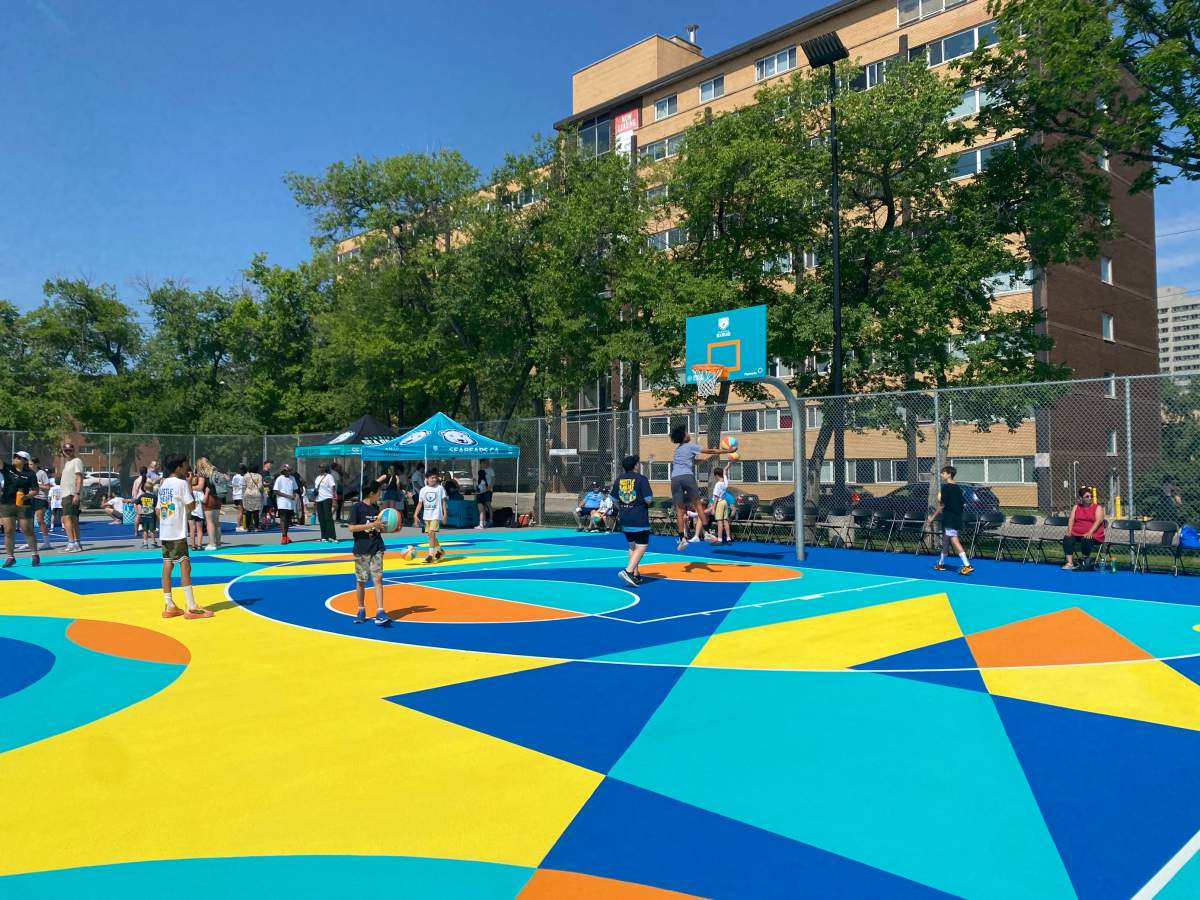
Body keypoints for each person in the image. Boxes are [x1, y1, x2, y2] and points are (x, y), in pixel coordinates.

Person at [156, 455, 212, 619]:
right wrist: (188, 484)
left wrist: (167, 520)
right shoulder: (181, 484)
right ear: (179, 467)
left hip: (165, 531)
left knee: (167, 564)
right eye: (185, 465)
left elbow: (158, 511)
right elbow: (192, 505)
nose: (187, 468)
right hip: (177, 531)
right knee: (185, 564)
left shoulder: (163, 484)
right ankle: (192, 607)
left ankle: (169, 604)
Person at [668, 424, 730, 551]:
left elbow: (691, 462)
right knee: (697, 504)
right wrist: (728, 451)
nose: (688, 434)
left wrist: (703, 460)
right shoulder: (691, 446)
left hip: (675, 479)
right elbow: (711, 451)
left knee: (679, 509)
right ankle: (707, 532)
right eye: (687, 433)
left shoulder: (677, 450)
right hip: (687, 477)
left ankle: (682, 539)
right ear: (684, 437)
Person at [348, 480, 389, 625]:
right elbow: (351, 528)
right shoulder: (357, 508)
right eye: (379, 492)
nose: (380, 495)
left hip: (377, 547)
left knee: (377, 579)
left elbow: (379, 527)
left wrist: (385, 526)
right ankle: (361, 609)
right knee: (361, 581)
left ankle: (380, 611)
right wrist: (372, 524)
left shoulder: (376, 508)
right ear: (372, 493)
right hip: (361, 549)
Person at [612, 455, 653, 587]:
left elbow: (613, 499)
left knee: (632, 545)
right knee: (642, 546)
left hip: (625, 517)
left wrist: (622, 508)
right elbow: (648, 499)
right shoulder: (641, 479)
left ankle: (635, 574)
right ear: (635, 465)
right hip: (638, 517)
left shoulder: (619, 479)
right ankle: (628, 571)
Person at [930, 465, 974, 576]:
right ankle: (940, 563)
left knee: (954, 540)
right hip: (955, 517)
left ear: (949, 474)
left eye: (943, 473)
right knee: (945, 540)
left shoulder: (946, 487)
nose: (941, 475)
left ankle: (967, 565)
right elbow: (961, 503)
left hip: (950, 519)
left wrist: (933, 517)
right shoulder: (958, 488)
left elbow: (942, 505)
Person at [2, 451, 41, 568]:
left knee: (26, 529)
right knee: (8, 530)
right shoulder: (7, 468)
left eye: (18, 457)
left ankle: (35, 554)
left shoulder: (30, 474)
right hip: (7, 503)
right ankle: (10, 557)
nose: (15, 458)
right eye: (14, 456)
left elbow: (35, 490)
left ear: (25, 461)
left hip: (24, 504)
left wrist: (26, 496)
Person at [1063, 487, 1106, 570]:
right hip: (1077, 533)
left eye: (1091, 496)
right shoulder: (1076, 507)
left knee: (1086, 539)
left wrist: (1090, 532)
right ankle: (1070, 563)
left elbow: (1098, 521)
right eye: (1087, 496)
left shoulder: (1098, 508)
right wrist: (1069, 530)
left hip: (1094, 534)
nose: (1090, 498)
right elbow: (1071, 519)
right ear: (1081, 498)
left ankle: (1084, 562)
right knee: (1067, 538)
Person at [412, 470, 447, 564]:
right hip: (427, 515)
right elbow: (420, 503)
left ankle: (430, 555)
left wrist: (444, 514)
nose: (434, 479)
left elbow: (443, 502)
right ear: (426, 479)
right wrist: (415, 515)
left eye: (435, 478)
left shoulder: (440, 488)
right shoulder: (423, 490)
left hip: (436, 515)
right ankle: (440, 550)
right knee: (430, 536)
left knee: (431, 533)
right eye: (432, 478)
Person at [60, 442, 85, 552]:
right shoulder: (67, 463)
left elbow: (79, 478)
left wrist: (77, 493)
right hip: (66, 493)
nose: (67, 452)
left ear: (73, 450)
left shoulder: (76, 461)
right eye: (65, 450)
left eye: (70, 450)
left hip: (70, 494)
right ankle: (76, 543)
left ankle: (72, 543)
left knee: (67, 518)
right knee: (73, 519)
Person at [273, 463, 297, 544]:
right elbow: (276, 491)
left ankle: (286, 535)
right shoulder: (279, 479)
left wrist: (293, 495)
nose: (289, 472)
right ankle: (283, 537)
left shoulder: (292, 478)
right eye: (288, 470)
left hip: (290, 503)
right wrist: (288, 496)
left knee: (288, 520)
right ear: (283, 471)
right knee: (283, 519)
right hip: (282, 503)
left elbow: (295, 489)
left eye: (290, 470)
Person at [314, 463, 338, 542]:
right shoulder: (317, 478)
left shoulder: (329, 476)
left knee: (328, 518)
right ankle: (324, 536)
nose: (320, 468)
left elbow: (333, 488)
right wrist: (315, 501)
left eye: (322, 467)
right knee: (321, 519)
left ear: (325, 468)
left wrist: (334, 500)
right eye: (320, 467)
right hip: (318, 499)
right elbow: (316, 490)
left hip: (327, 498)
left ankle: (332, 536)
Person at [32, 458, 52, 551]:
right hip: (30, 498)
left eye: (31, 464)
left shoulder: (41, 473)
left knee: (40, 520)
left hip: (41, 499)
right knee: (27, 522)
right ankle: (31, 542)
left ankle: (47, 543)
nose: (29, 466)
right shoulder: (28, 473)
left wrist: (37, 485)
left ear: (36, 464)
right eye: (28, 464)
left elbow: (47, 487)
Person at [711, 467, 733, 545]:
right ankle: (728, 538)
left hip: (719, 503)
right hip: (725, 502)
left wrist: (713, 508)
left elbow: (716, 497)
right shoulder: (724, 483)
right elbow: (724, 473)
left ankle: (719, 540)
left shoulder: (718, 485)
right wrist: (728, 465)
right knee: (725, 520)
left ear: (716, 475)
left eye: (714, 475)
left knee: (719, 521)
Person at [136, 478, 157, 549]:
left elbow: (136, 503)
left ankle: (145, 543)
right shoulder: (154, 497)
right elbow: (156, 506)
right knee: (152, 530)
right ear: (152, 488)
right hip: (151, 515)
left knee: (145, 530)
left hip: (144, 515)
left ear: (144, 488)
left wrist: (138, 511)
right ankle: (153, 542)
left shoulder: (141, 496)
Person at [188, 468, 207, 550]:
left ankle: (193, 545)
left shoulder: (189, 491)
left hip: (191, 512)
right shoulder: (200, 492)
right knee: (199, 530)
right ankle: (199, 545)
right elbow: (204, 500)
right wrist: (206, 492)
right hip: (199, 512)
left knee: (192, 530)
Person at [241, 465, 263, 532]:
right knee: (256, 512)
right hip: (256, 494)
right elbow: (260, 486)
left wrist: (243, 495)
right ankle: (256, 527)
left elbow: (243, 486)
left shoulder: (246, 475)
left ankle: (248, 527)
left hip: (247, 493)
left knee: (248, 511)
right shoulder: (259, 476)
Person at [475, 462, 495, 530]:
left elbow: (493, 481)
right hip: (481, 492)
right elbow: (479, 483)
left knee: (488, 504)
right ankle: (483, 522)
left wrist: (488, 489)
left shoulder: (490, 470)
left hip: (488, 491)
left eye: (485, 463)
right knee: (482, 506)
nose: (483, 464)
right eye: (482, 463)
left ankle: (491, 520)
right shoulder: (479, 471)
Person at [231, 465, 245, 532]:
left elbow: (233, 486)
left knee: (240, 511)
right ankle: (238, 526)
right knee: (240, 511)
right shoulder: (242, 477)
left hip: (235, 495)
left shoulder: (234, 477)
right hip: (240, 495)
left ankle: (241, 525)